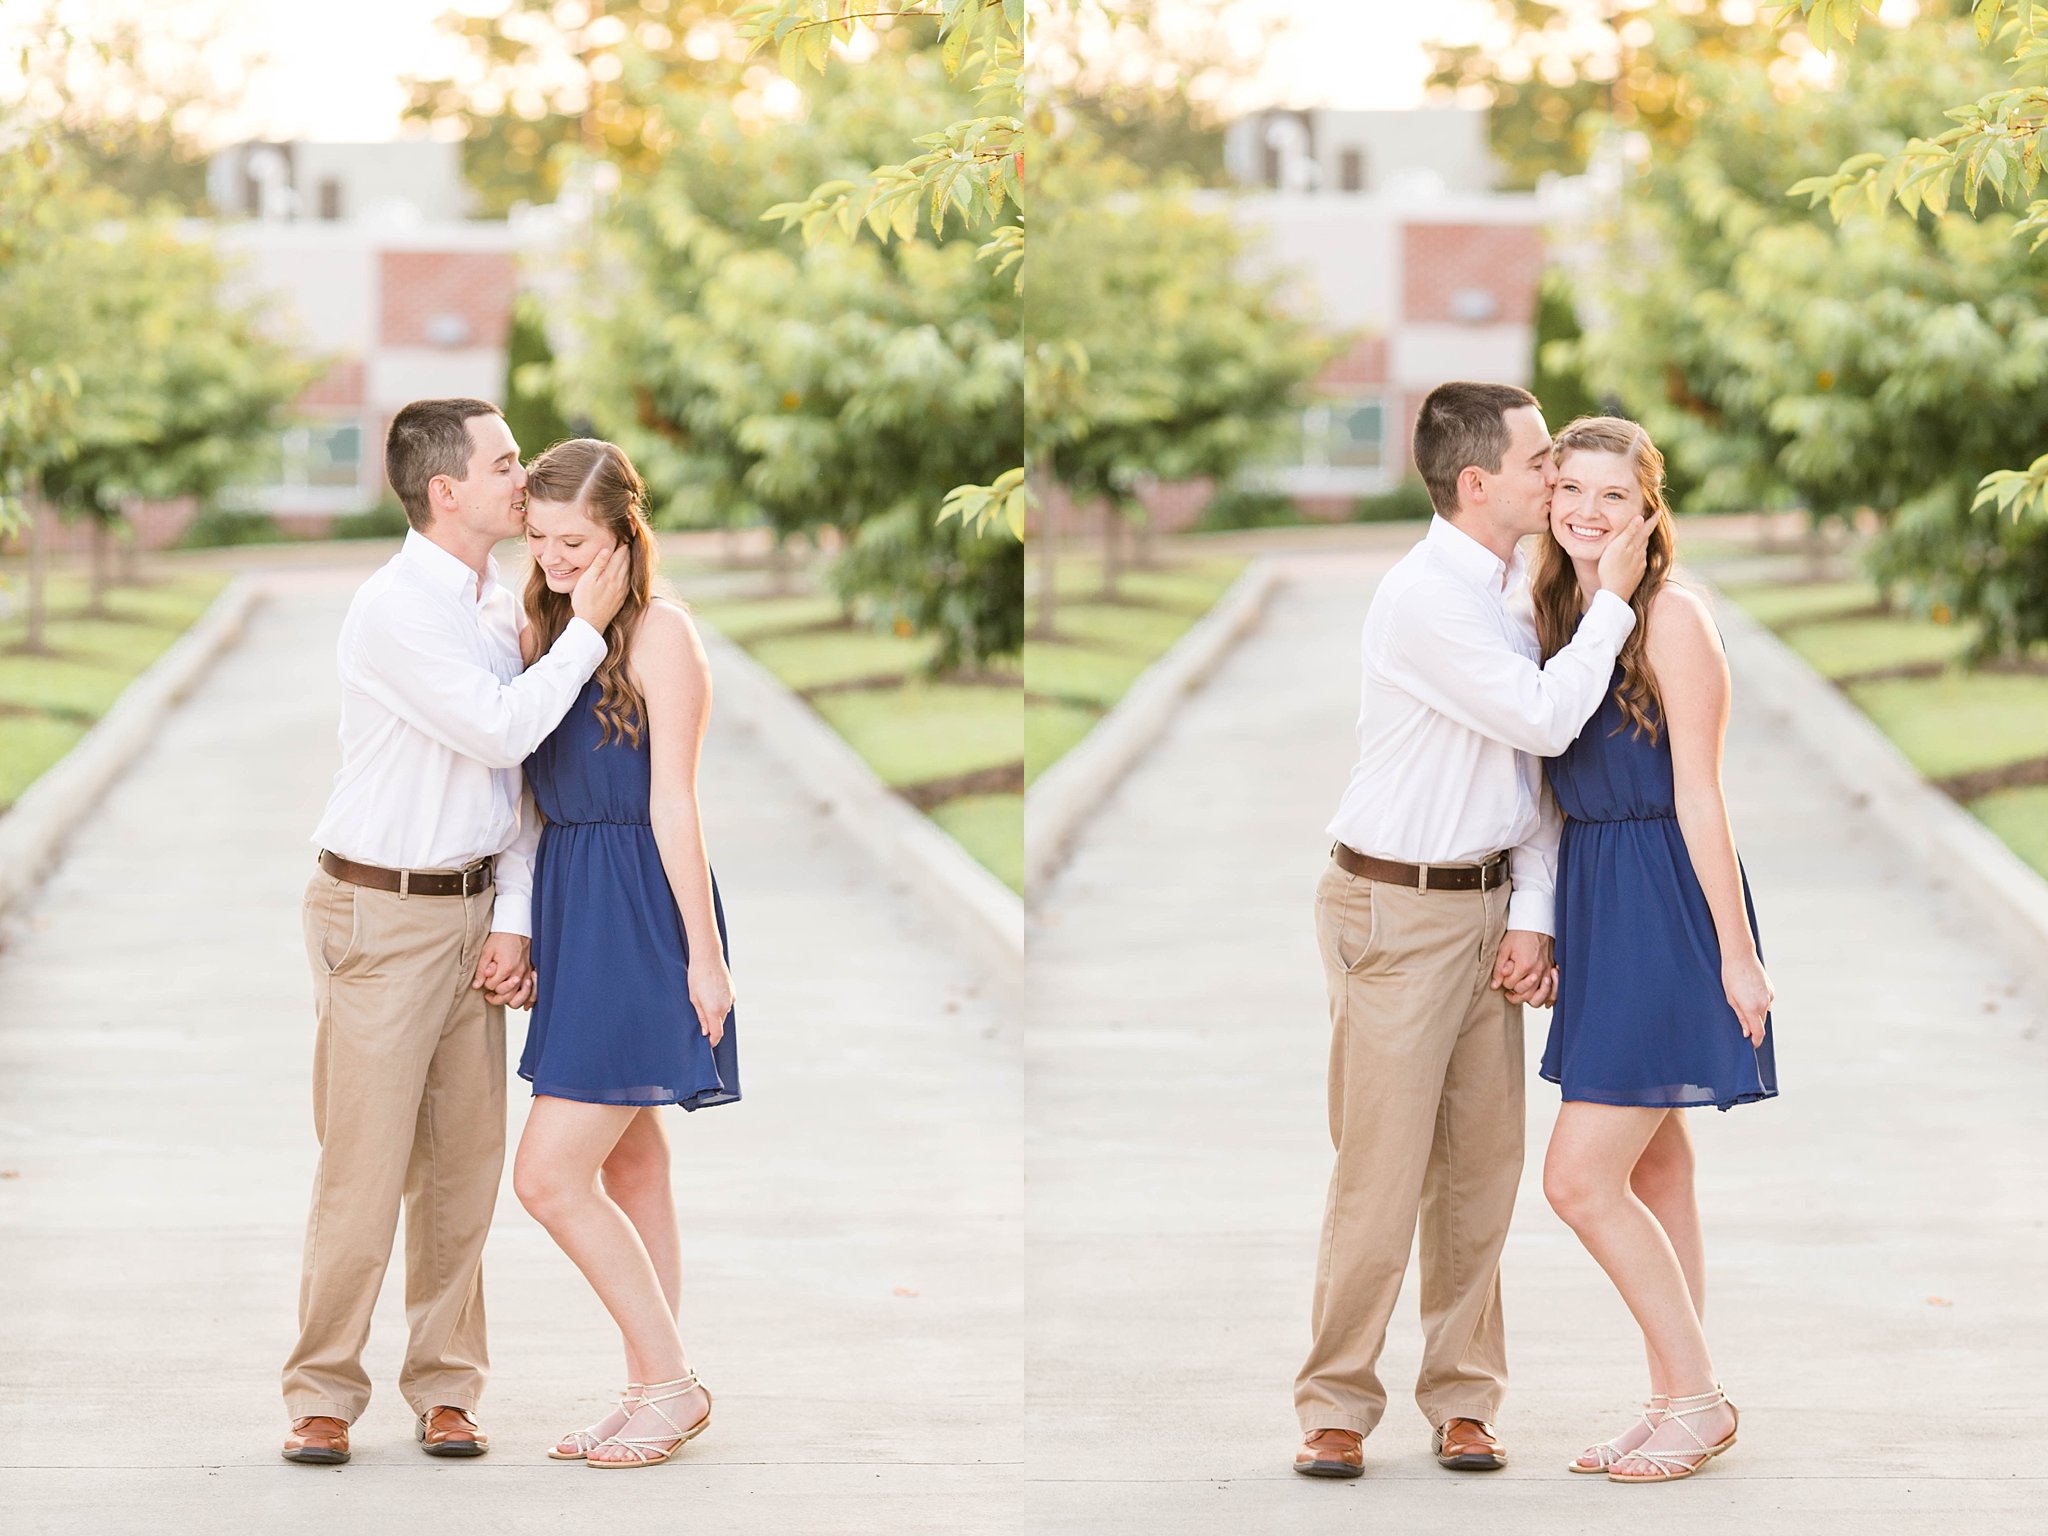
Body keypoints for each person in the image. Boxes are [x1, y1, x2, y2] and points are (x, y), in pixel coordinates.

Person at [1294, 381, 1653, 1480]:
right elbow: (1543, 715)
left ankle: (1461, 1399)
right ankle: (1334, 1405)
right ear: (1475, 481)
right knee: (1381, 1169)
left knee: (1479, 1170)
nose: (1557, 477)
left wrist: (1533, 916)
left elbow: (1532, 779)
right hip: (1392, 910)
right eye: (1542, 460)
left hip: (1487, 905)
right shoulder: (1425, 600)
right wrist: (1614, 603)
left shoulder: (1518, 588)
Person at [282, 398, 629, 1466]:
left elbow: (512, 785)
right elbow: (498, 726)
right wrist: (583, 637)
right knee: (364, 1163)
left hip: (472, 910)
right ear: (446, 491)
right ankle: (322, 1393)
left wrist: (515, 919)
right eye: (504, 464)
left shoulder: (494, 605)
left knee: (462, 1168)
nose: (522, 482)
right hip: (379, 914)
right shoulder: (397, 609)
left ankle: (445, 1388)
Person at [1532, 416, 1777, 1484]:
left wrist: (1735, 955)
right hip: (1596, 901)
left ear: (1647, 512)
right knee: (1657, 1167)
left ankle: (1698, 1399)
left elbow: (1700, 795)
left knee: (1578, 1179)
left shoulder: (1669, 617)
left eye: (1612, 497)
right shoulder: (1555, 614)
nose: (1588, 511)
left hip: (1663, 908)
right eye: (1571, 490)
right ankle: (1670, 1396)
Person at [507, 437, 739, 1470]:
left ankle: (672, 1385)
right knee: (632, 1160)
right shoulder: (548, 627)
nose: (555, 558)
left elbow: (674, 802)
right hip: (573, 906)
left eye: (575, 540)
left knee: (549, 1177)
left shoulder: (661, 636)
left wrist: (703, 957)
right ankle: (651, 1382)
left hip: (640, 912)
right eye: (540, 539)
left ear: (622, 536)